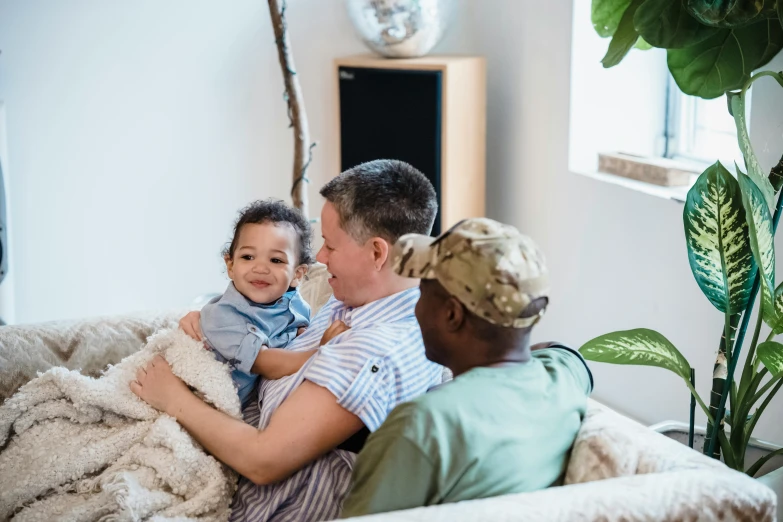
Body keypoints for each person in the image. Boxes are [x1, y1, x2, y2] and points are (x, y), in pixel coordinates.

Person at [130, 159, 444, 521]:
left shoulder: (372, 352)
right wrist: (208, 321)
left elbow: (264, 460)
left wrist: (172, 397)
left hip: (266, 502)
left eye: (330, 244)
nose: (321, 258)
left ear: (377, 253)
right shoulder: (358, 300)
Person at [340, 218, 594, 518]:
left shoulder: (422, 425)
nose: (416, 308)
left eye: (422, 293)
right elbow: (562, 353)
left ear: (452, 315)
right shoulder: (565, 379)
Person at [199, 199, 314, 407]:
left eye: (276, 260)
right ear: (230, 265)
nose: (260, 268)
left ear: (297, 274)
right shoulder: (223, 315)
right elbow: (264, 362)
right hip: (205, 400)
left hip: (251, 401)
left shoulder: (297, 306)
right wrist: (318, 354)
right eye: (248, 256)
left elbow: (299, 332)